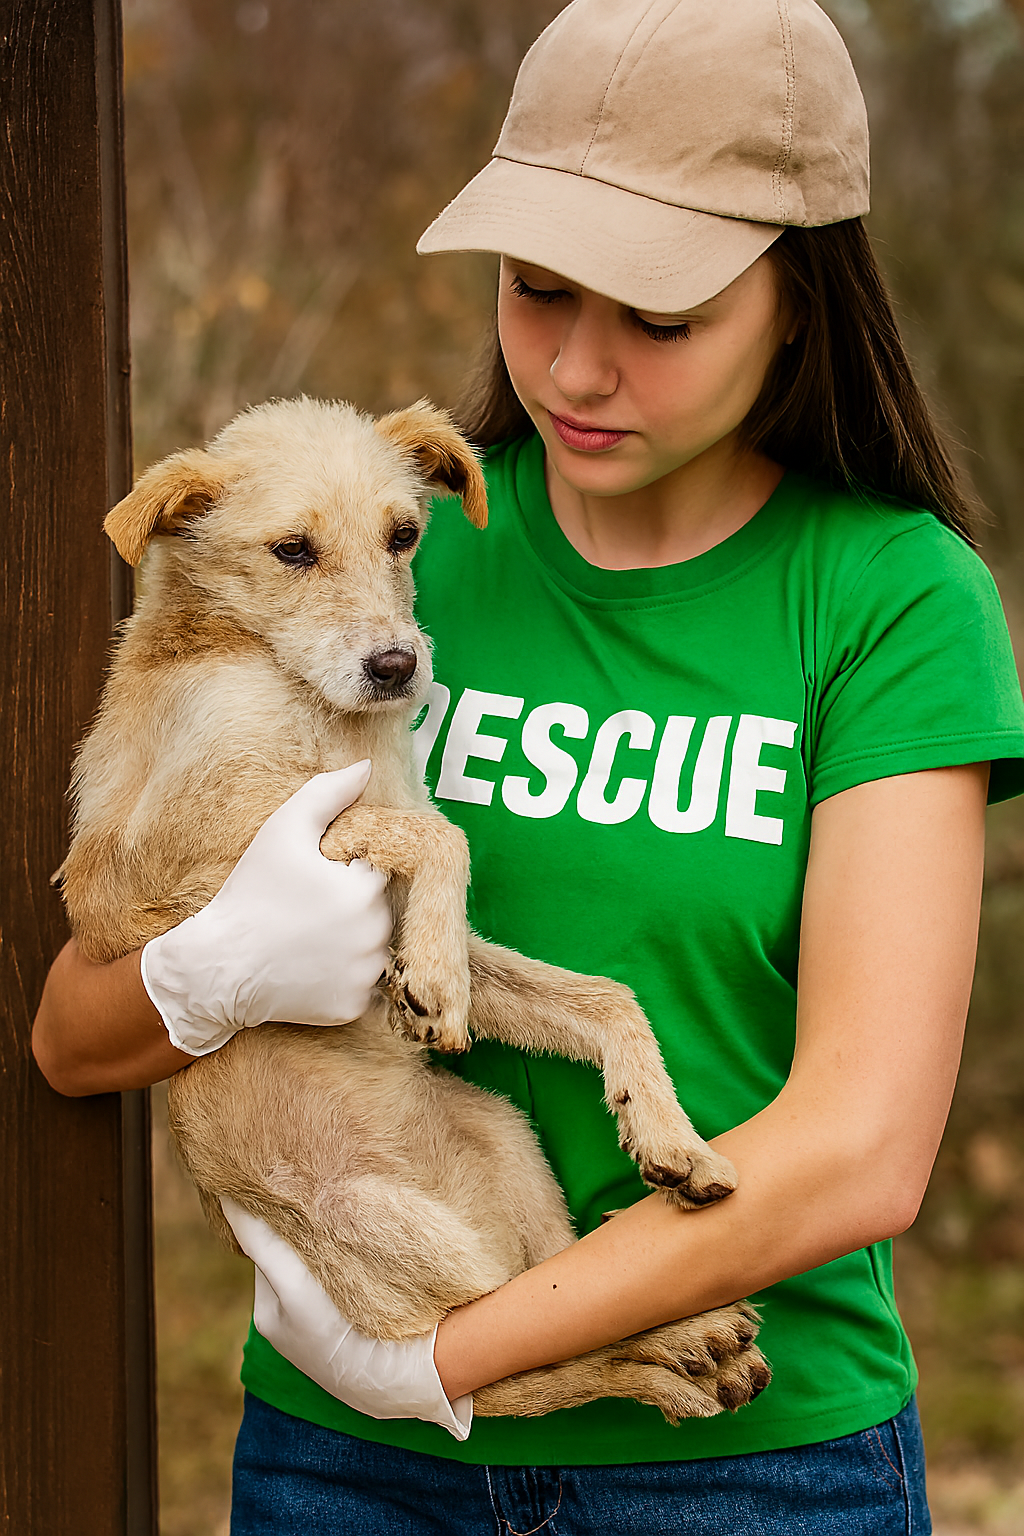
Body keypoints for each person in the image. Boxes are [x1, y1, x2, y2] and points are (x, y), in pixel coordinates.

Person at [32, 0, 1024, 1530]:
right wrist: (204, 975)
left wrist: (449, 1357)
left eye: (660, 316)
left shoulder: (890, 599)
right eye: (536, 289)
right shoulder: (389, 561)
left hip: (744, 1469)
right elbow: (73, 1040)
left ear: (802, 303)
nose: (576, 366)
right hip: (348, 1474)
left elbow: (859, 1150)